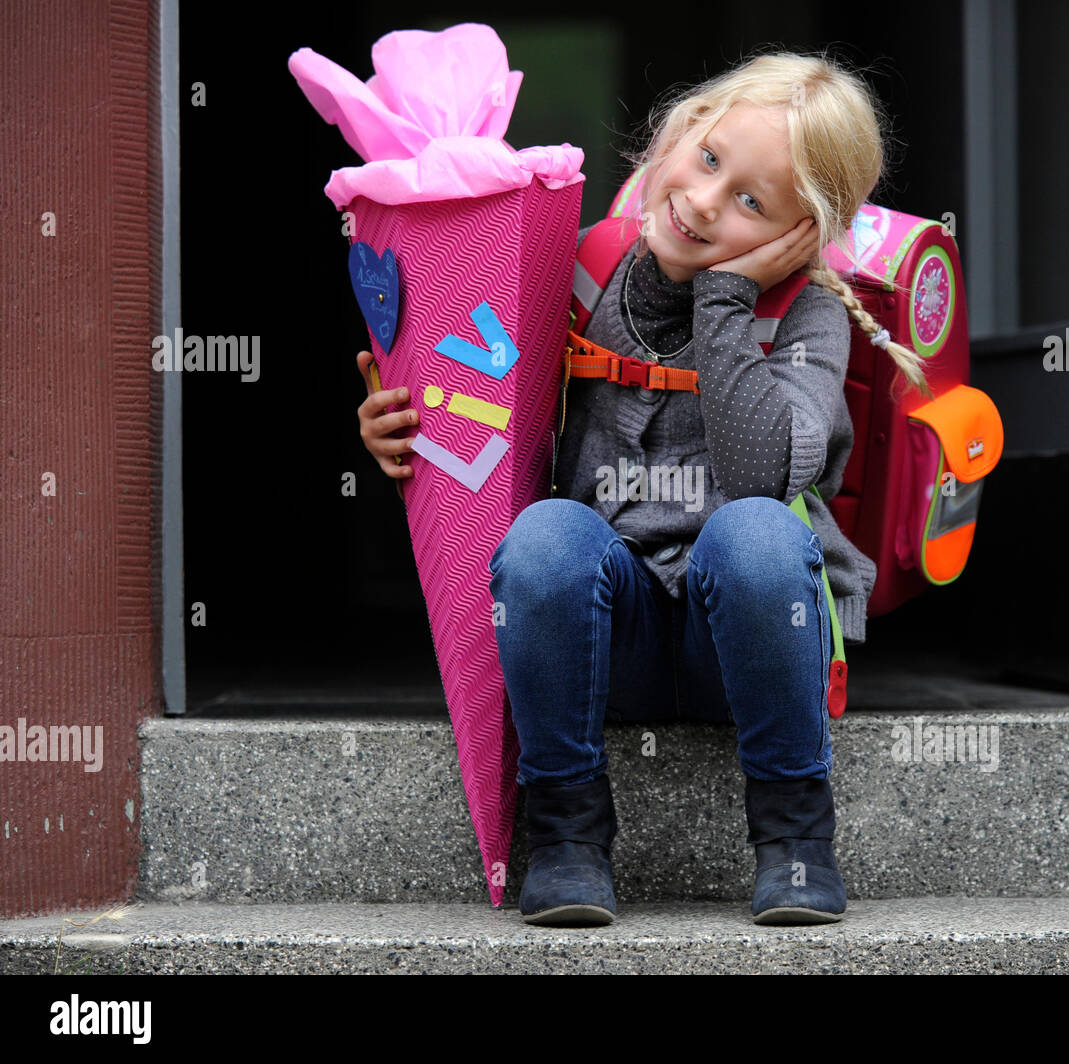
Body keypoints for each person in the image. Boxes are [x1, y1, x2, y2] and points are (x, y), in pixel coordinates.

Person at [355, 51, 929, 927]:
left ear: (801, 236)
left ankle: (796, 837)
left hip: (740, 641)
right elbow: (483, 416)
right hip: (605, 634)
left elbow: (760, 477)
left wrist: (728, 300)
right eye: (708, 160)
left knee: (760, 534)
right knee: (545, 536)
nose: (704, 201)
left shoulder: (808, 315)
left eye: (752, 203)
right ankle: (567, 836)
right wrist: (405, 427)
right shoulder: (583, 271)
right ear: (676, 133)